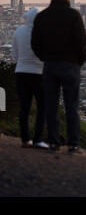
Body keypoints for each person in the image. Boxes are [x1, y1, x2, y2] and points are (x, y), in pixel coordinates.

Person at [31, 0, 86, 155]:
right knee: (72, 106)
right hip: (70, 66)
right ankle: (73, 145)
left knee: (51, 105)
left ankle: (54, 143)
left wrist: (45, 58)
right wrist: (79, 61)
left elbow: (35, 43)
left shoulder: (42, 17)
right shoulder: (73, 16)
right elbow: (81, 42)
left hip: (50, 65)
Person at [12, 8, 48, 149]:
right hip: (39, 73)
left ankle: (25, 139)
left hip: (21, 72)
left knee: (24, 107)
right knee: (42, 107)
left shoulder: (18, 31)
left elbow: (13, 53)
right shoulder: (44, 32)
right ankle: (38, 139)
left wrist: (21, 62)